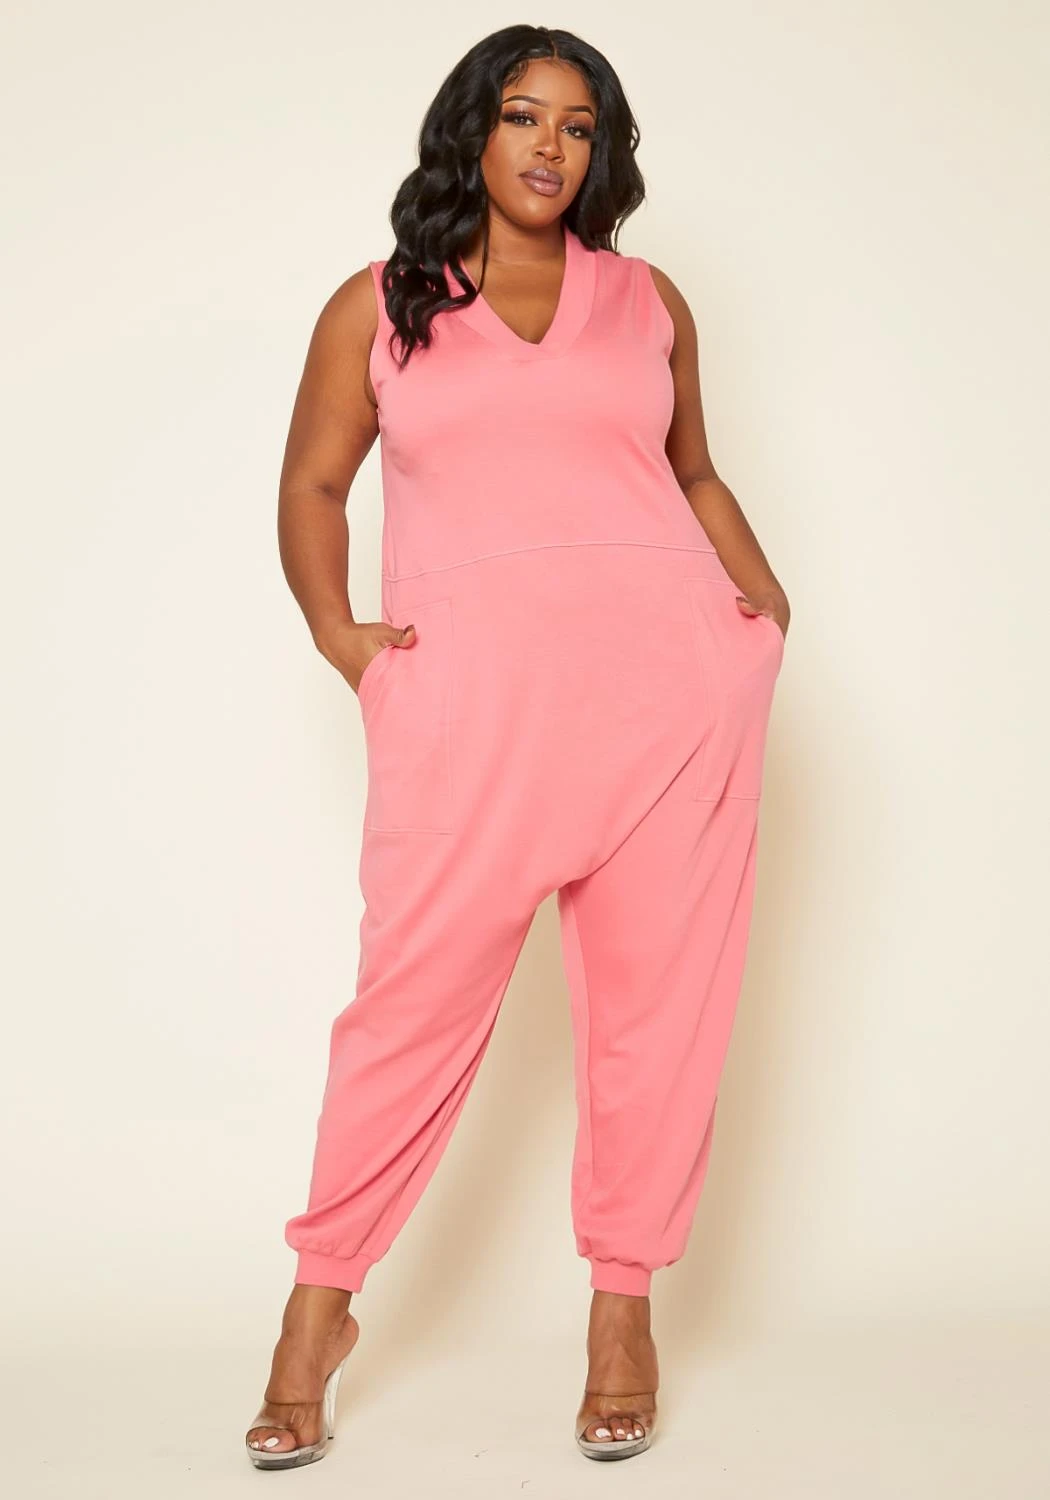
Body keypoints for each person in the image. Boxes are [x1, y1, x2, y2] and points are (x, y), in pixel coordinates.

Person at [245, 23, 790, 1470]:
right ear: (470, 133)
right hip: (473, 721)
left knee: (657, 1019)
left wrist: (764, 608)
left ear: (602, 150)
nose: (551, 146)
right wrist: (342, 638)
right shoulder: (383, 304)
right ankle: (315, 1318)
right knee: (407, 1013)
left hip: (667, 707)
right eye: (523, 116)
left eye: (578, 124)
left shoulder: (646, 299)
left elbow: (691, 470)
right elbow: (312, 483)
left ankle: (622, 1316)